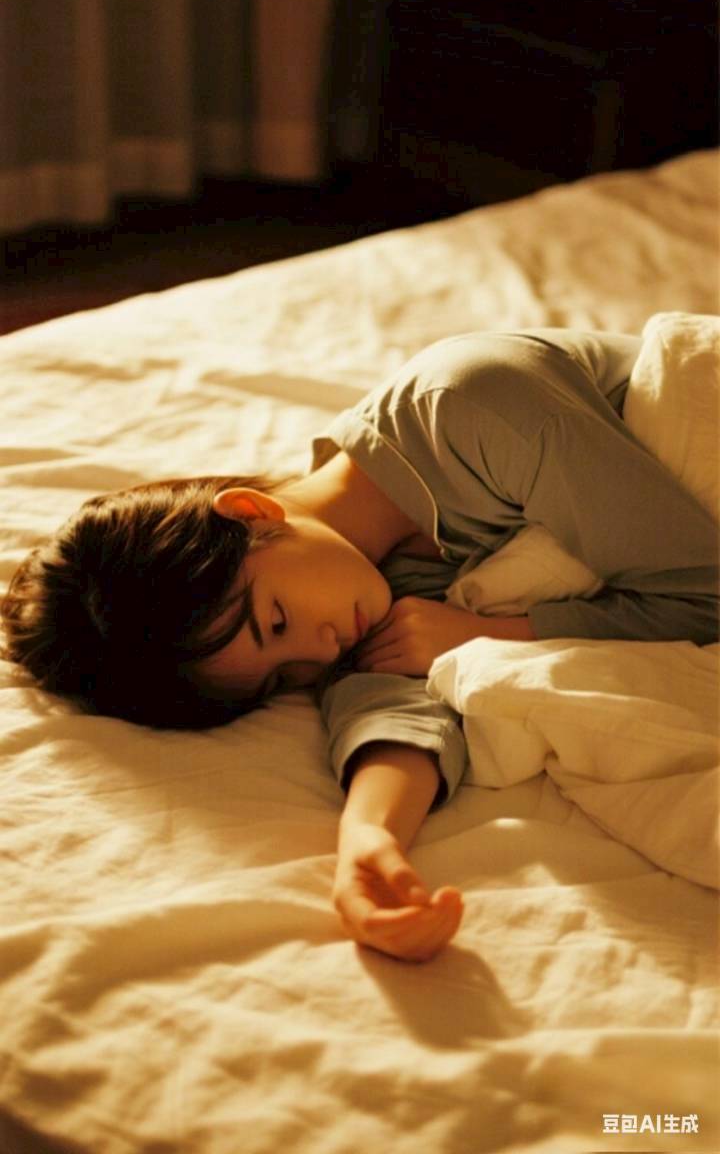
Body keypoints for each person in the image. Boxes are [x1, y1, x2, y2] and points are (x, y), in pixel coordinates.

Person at [2, 330, 718, 962]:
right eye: (281, 678)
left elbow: (707, 591)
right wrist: (368, 841)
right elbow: (392, 711)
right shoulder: (348, 581)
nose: (318, 653)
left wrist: (490, 633)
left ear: (251, 513)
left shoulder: (471, 410)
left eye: (274, 622)